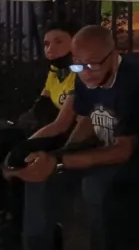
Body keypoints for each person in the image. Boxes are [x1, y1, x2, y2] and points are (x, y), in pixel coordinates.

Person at [4, 25, 139, 250]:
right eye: (79, 65)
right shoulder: (83, 75)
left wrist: (60, 161)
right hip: (107, 150)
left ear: (113, 56)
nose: (85, 73)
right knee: (40, 175)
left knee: (94, 186)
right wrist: (61, 155)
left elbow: (124, 150)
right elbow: (86, 120)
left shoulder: (137, 83)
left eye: (92, 65)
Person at [0, 21, 80, 243]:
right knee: (5, 139)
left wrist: (27, 142)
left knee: (17, 156)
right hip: (49, 129)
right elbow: (40, 105)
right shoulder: (56, 70)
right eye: (46, 43)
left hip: (70, 136)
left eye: (58, 41)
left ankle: (20, 227)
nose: (50, 48)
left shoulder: (80, 72)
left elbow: (62, 123)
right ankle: (9, 215)